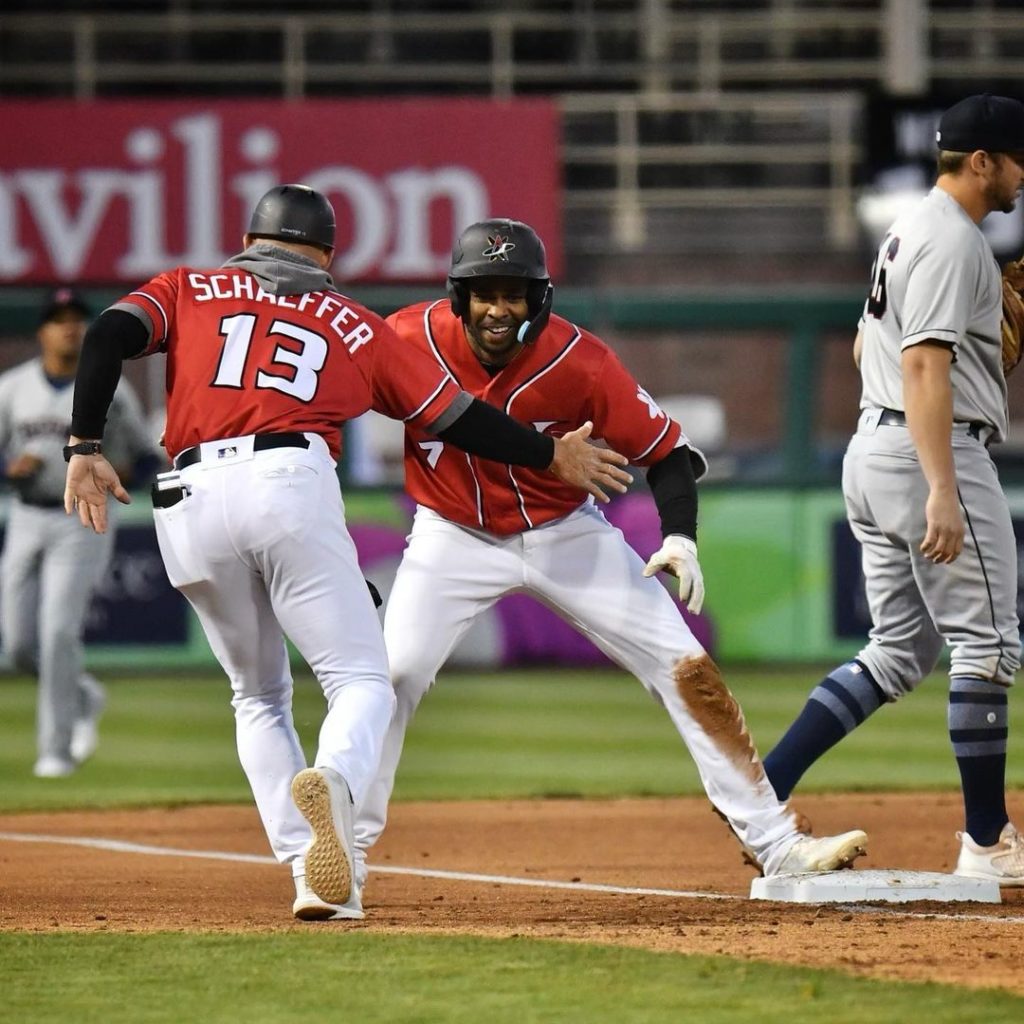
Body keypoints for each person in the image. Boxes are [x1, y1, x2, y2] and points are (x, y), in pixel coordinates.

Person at [62, 185, 633, 922]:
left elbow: (107, 333)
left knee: (256, 694)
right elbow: (460, 419)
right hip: (286, 481)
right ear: (327, 253)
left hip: (188, 495)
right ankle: (332, 782)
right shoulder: (358, 326)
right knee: (362, 680)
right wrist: (547, 453)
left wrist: (83, 443)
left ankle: (308, 866)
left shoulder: (187, 286)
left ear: (249, 239)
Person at [351, 217, 869, 907]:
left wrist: (679, 535)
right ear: (458, 294)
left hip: (566, 531)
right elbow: (330, 400)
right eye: (483, 292)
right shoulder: (408, 339)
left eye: (514, 293)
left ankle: (777, 845)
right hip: (451, 533)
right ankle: (342, 857)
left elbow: (668, 453)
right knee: (394, 673)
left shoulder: (580, 361)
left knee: (685, 666)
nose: (497, 308)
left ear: (539, 299)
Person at [763, 94, 1024, 885]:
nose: (1022, 173)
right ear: (981, 161)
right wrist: (942, 485)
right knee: (988, 644)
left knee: (901, 649)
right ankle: (989, 843)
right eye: (1015, 157)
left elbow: (859, 349)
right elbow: (922, 366)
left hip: (874, 450)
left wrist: (979, 359)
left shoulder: (908, 228)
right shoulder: (952, 241)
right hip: (928, 455)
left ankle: (761, 790)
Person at [0, 288, 157, 779]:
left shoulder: (110, 385)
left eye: (76, 319)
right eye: (57, 319)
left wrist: (123, 473)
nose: (68, 327)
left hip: (82, 519)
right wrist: (9, 468)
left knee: (57, 631)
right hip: (25, 515)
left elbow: (147, 456)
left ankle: (57, 751)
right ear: (41, 330)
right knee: (18, 646)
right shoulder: (12, 387)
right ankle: (84, 693)